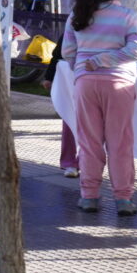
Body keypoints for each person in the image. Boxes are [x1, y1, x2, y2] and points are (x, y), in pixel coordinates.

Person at [62, 0, 137, 216]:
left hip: (85, 84)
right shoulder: (128, 16)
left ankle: (89, 196)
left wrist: (84, 67)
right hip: (119, 85)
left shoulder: (78, 13)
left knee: (89, 142)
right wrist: (103, 60)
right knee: (120, 143)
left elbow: (68, 52)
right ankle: (123, 199)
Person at [43, 35, 79, 178]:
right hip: (72, 80)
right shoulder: (73, 26)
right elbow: (58, 54)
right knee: (70, 119)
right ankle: (71, 162)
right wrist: (49, 76)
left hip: (99, 81)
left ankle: (86, 163)